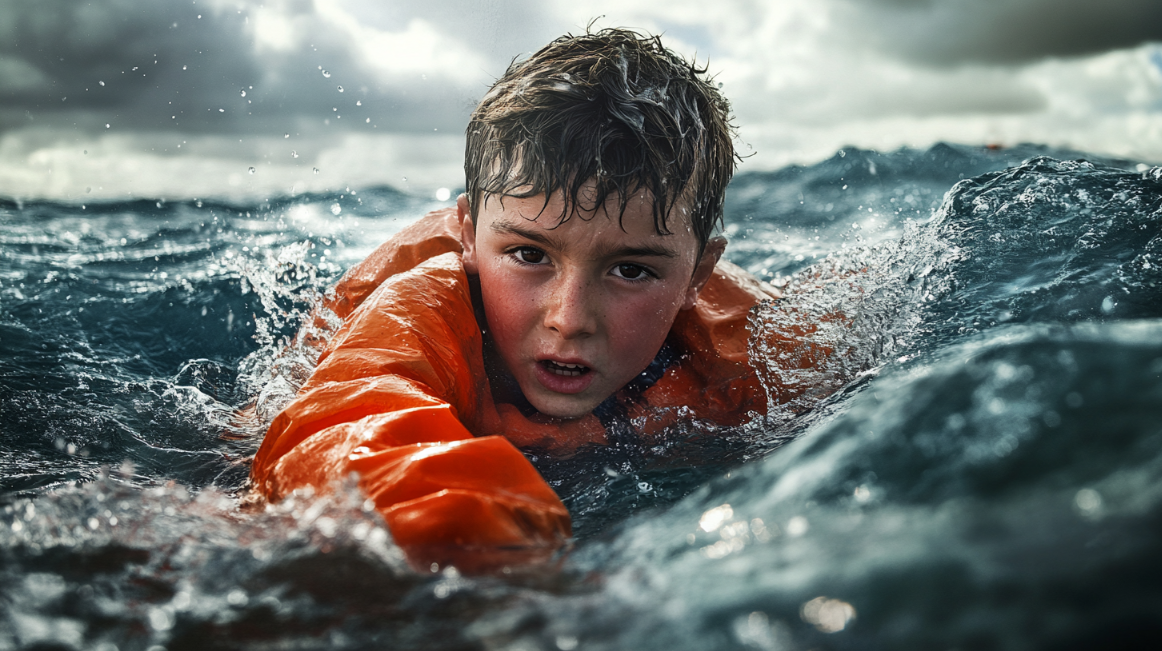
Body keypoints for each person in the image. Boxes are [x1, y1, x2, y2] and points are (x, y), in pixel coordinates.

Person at [248, 28, 788, 572]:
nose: (569, 318)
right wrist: (498, 563)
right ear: (469, 237)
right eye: (530, 256)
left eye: (630, 270)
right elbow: (348, 430)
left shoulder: (755, 356)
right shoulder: (416, 312)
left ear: (697, 274)